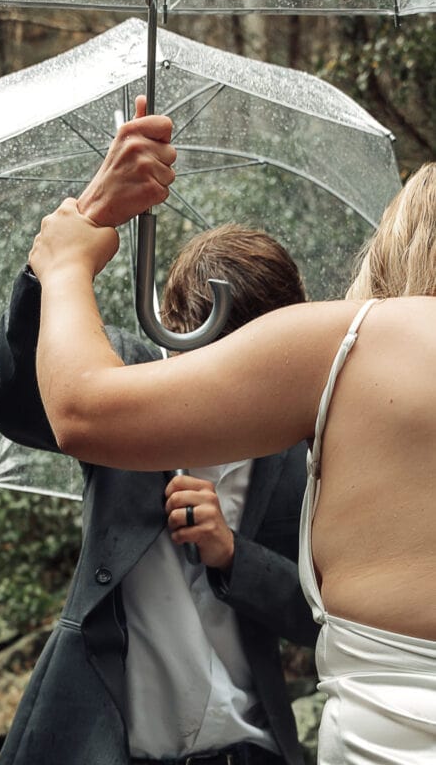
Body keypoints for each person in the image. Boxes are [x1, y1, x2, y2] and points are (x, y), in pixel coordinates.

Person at [28, 106, 436, 765]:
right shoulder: (340, 398)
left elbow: (81, 407)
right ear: (170, 321)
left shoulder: (351, 355)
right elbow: (27, 395)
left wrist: (69, 254)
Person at [0, 220, 319, 765]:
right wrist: (54, 264)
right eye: (209, 364)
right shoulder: (115, 380)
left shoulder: (292, 449)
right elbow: (13, 402)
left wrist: (234, 556)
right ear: (171, 324)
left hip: (252, 750)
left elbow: (318, 613)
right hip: (108, 748)